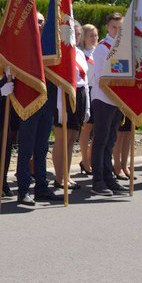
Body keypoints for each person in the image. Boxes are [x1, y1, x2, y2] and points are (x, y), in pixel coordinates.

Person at [16, 12, 62, 205]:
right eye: (36, 21)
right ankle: (24, 188)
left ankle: (42, 186)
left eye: (42, 21)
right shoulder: (23, 45)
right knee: (26, 147)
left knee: (42, 146)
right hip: (28, 99)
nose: (40, 25)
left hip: (48, 101)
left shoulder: (52, 45)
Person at [90, 13, 127, 197]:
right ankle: (98, 181)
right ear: (107, 27)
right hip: (103, 99)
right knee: (101, 140)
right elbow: (100, 77)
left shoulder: (122, 47)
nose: (117, 31)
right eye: (114, 27)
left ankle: (109, 177)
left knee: (111, 141)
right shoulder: (102, 49)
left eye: (120, 28)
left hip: (117, 100)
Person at [51, 21, 87, 192]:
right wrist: (59, 108)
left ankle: (67, 174)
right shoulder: (62, 53)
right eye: (74, 33)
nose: (77, 37)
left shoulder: (79, 53)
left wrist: (85, 108)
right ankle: (59, 177)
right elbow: (59, 82)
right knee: (62, 138)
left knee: (72, 138)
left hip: (79, 95)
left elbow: (84, 81)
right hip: (64, 96)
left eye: (79, 34)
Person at [76, 24, 98, 176]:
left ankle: (90, 157)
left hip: (99, 91)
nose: (94, 38)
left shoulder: (100, 51)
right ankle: (85, 160)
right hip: (86, 90)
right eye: (91, 35)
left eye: (96, 35)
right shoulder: (80, 54)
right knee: (86, 129)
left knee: (99, 129)